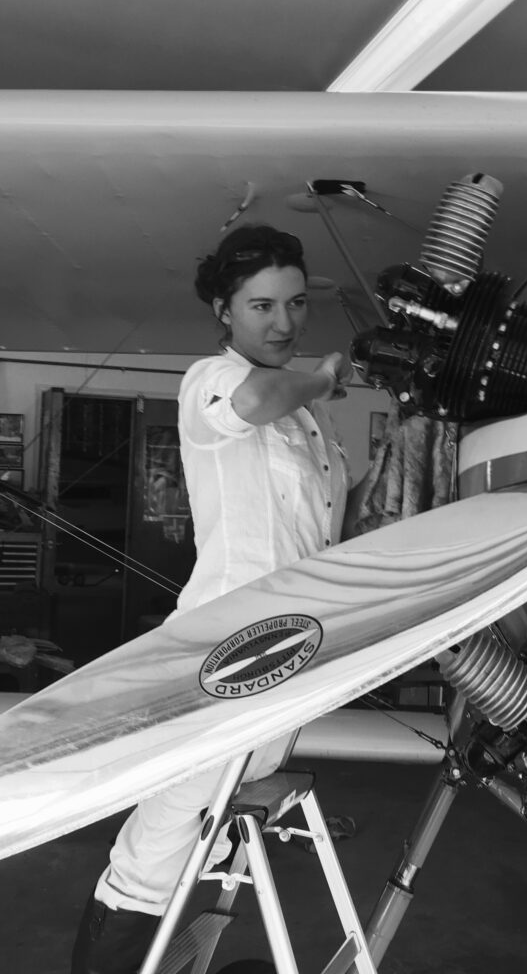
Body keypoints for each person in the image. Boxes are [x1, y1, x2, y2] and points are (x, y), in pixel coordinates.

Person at [71, 224, 354, 973]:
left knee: (223, 825)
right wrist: (324, 376)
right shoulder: (212, 379)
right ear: (224, 312)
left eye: (296, 303)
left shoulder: (313, 420)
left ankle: (188, 953)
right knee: (160, 841)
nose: (284, 322)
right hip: (225, 653)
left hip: (294, 652)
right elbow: (253, 398)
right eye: (261, 306)